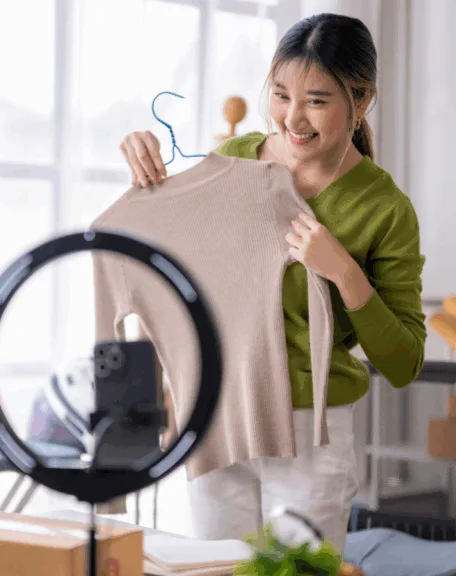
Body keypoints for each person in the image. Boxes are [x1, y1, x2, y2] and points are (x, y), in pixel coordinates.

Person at [118, 12, 427, 559]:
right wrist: (145, 172)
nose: (293, 118)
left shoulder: (384, 209)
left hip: (310, 429)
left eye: (317, 100)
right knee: (216, 569)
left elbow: (404, 363)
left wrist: (343, 271)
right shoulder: (234, 160)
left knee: (293, 575)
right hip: (216, 410)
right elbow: (169, 274)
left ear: (363, 101)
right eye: (281, 94)